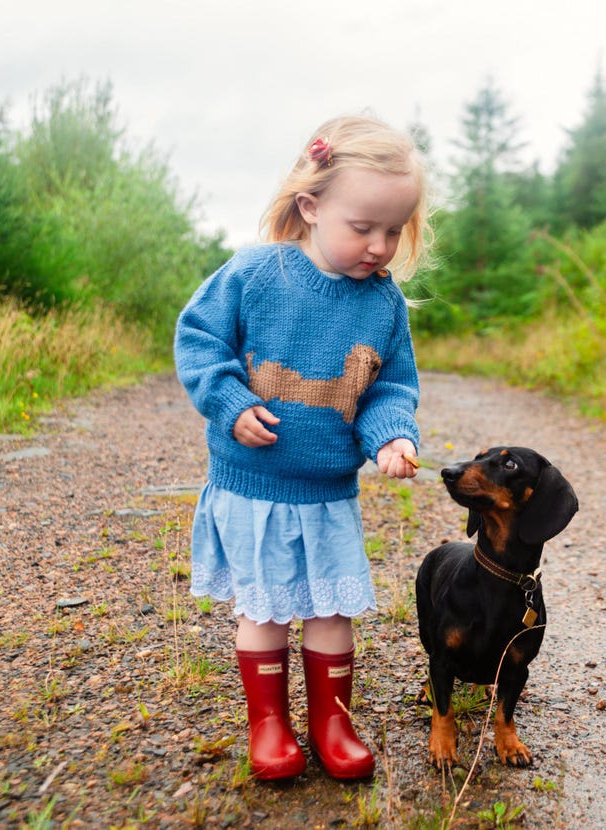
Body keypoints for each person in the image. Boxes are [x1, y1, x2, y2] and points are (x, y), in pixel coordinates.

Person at [174, 113, 432, 781]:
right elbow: (200, 341)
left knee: (330, 610)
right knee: (265, 614)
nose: (379, 246)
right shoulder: (259, 274)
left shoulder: (384, 304)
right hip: (253, 487)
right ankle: (269, 725)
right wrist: (229, 405)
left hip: (326, 495)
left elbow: (388, 388)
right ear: (311, 206)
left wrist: (392, 438)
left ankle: (331, 720)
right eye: (363, 227)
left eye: (394, 231)